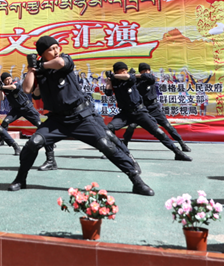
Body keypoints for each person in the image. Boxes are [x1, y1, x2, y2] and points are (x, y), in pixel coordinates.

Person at [8, 36, 154, 196]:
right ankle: (20, 179)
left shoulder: (64, 59)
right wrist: (31, 68)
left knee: (106, 144)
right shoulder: (40, 72)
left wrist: (40, 65)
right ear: (42, 54)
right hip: (57, 121)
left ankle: (136, 181)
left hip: (81, 117)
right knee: (33, 143)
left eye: (57, 47)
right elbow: (27, 89)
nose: (56, 51)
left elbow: (60, 63)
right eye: (51, 49)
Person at [105, 62, 192, 161]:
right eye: (122, 70)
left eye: (125, 70)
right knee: (109, 128)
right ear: (117, 71)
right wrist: (109, 80)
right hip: (125, 113)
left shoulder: (131, 78)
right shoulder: (115, 82)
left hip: (139, 112)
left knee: (158, 132)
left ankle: (178, 152)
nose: (125, 72)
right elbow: (108, 93)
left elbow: (130, 77)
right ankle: (115, 150)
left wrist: (114, 76)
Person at [0, 72, 57, 171]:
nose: (8, 80)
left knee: (39, 125)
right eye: (6, 80)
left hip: (27, 108)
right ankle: (2, 140)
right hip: (16, 110)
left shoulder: (15, 83)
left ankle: (50, 141)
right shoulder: (5, 88)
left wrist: (3, 87)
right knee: (5, 122)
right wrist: (0, 89)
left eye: (9, 78)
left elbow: (13, 87)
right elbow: (1, 98)